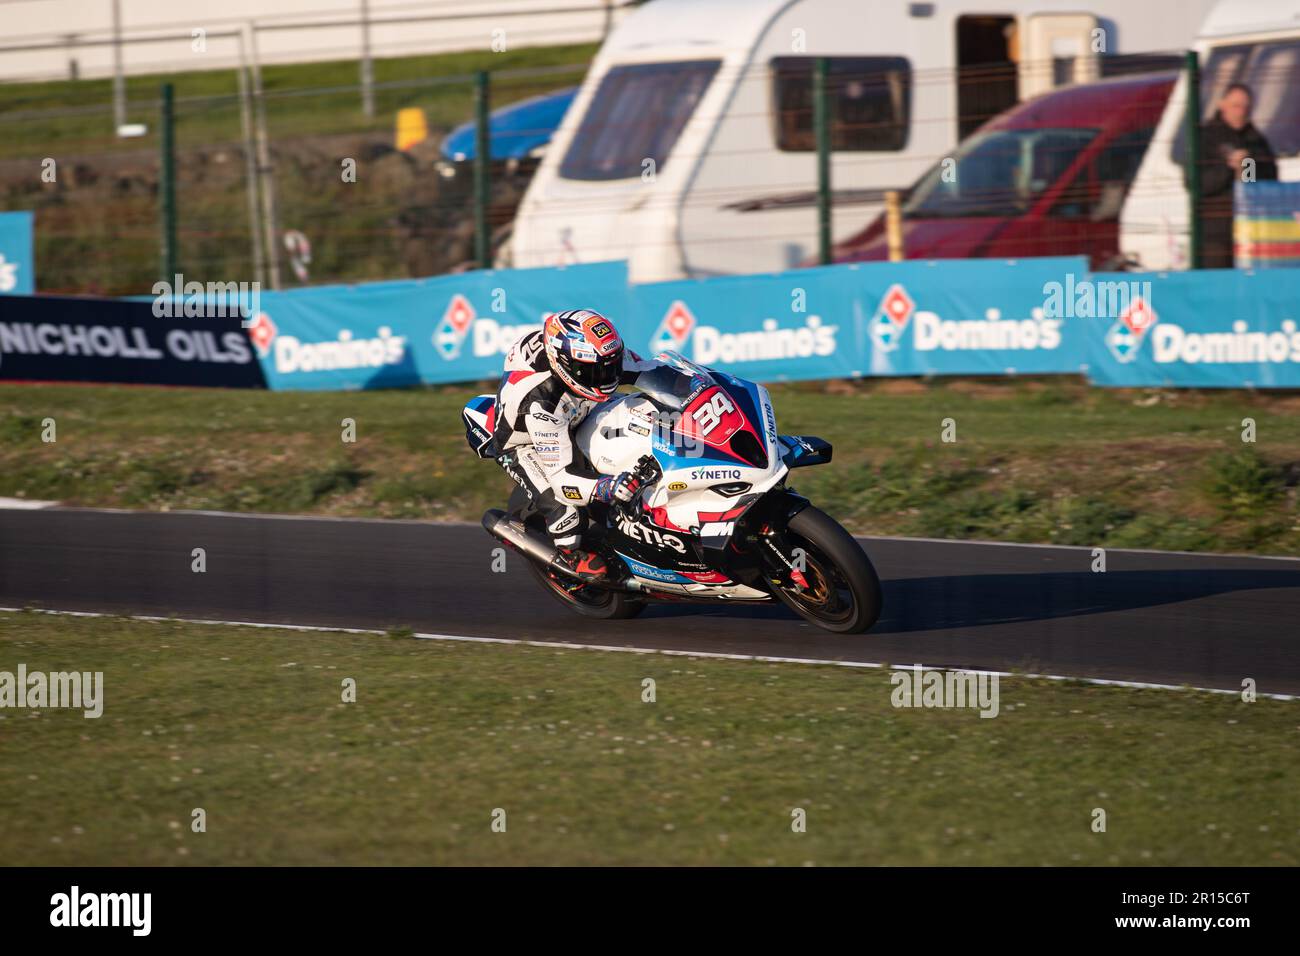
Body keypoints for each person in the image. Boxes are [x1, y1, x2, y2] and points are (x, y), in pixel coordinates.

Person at [493, 309, 664, 580]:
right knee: (567, 516)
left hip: (576, 409)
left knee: (647, 415)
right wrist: (607, 487)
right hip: (525, 442)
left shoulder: (597, 357)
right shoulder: (541, 406)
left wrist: (697, 386)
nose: (607, 375)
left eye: (611, 363)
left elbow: (650, 371)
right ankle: (570, 559)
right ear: (565, 365)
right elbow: (562, 479)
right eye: (595, 371)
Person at [1195, 82, 1278, 268]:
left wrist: (1247, 165)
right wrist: (1228, 167)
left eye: (1245, 107)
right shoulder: (1205, 138)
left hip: (1251, 230)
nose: (1241, 112)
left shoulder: (1256, 140)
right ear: (1222, 104)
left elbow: (1265, 183)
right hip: (1215, 231)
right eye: (1236, 106)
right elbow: (1197, 184)